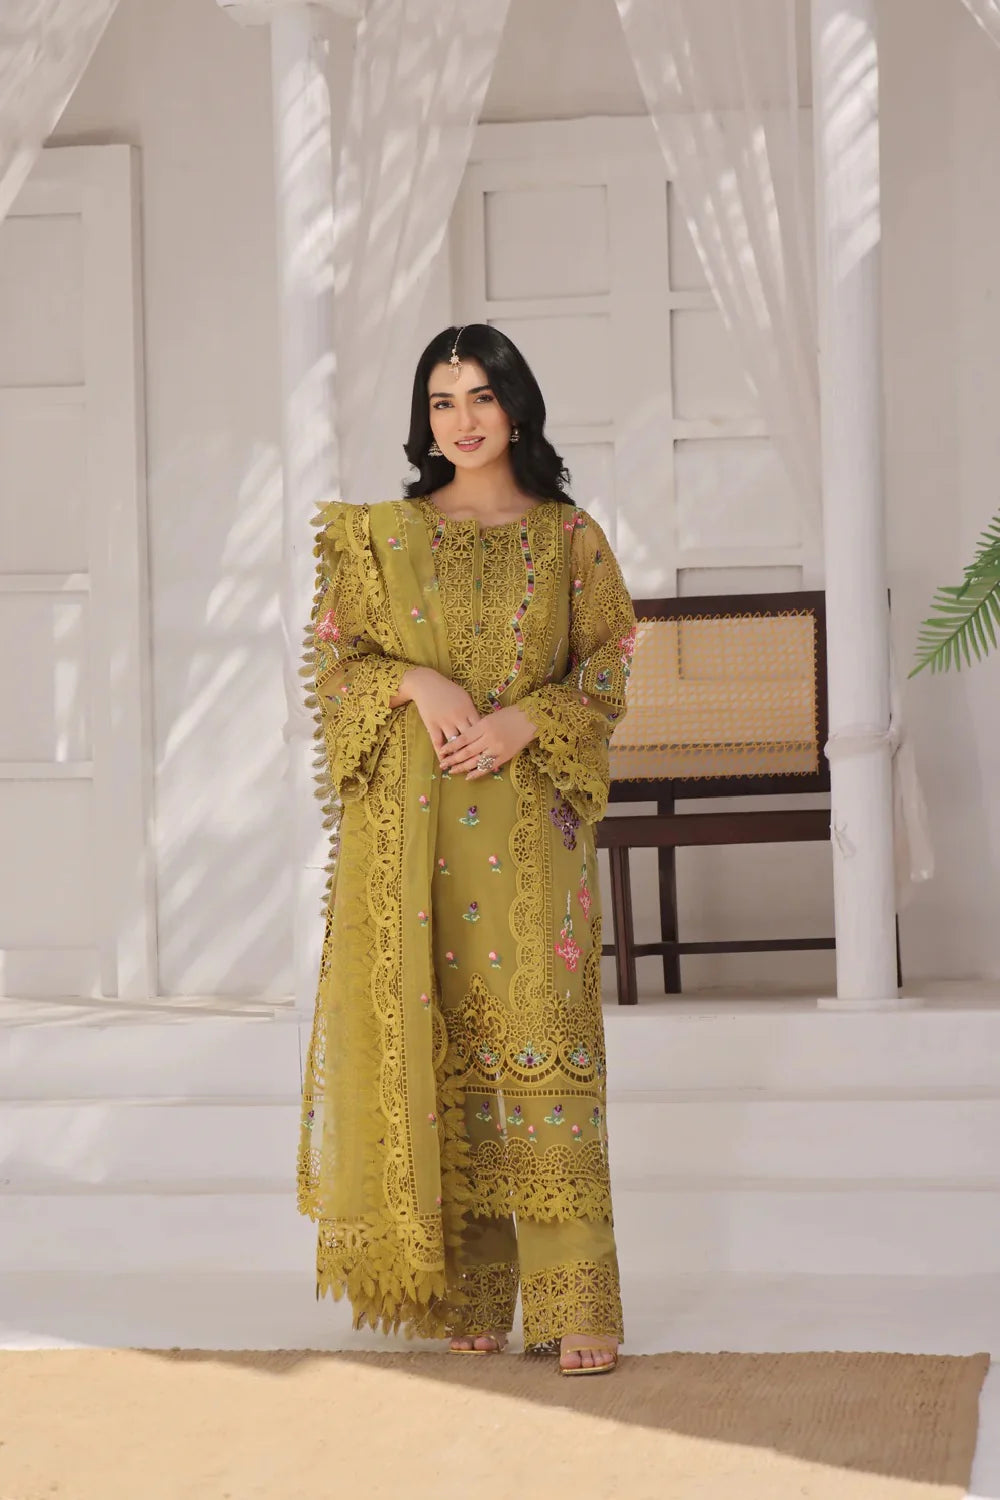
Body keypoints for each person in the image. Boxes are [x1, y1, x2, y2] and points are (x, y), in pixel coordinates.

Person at [297, 323, 636, 1376]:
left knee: (543, 1044)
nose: (463, 419)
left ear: (516, 407)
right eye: (442, 401)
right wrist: (418, 682)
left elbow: (609, 663)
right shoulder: (381, 537)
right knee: (443, 1052)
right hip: (418, 839)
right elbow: (335, 665)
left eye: (481, 396)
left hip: (531, 832)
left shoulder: (569, 538)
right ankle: (472, 1291)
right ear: (425, 418)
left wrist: (526, 720)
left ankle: (578, 1302)